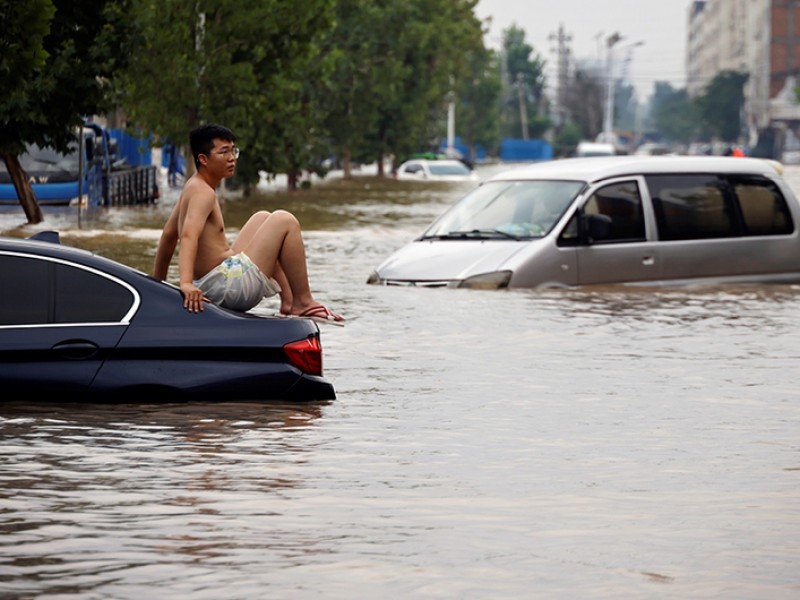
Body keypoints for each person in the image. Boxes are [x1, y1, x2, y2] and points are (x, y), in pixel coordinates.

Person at [153, 124, 343, 323]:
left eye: (233, 150)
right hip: (226, 287)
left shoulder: (192, 187)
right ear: (203, 159)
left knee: (262, 219)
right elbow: (188, 235)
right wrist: (185, 283)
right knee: (284, 220)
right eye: (223, 152)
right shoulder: (203, 193)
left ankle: (288, 301)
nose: (232, 158)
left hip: (218, 281)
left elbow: (168, 236)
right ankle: (303, 301)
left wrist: (156, 288)